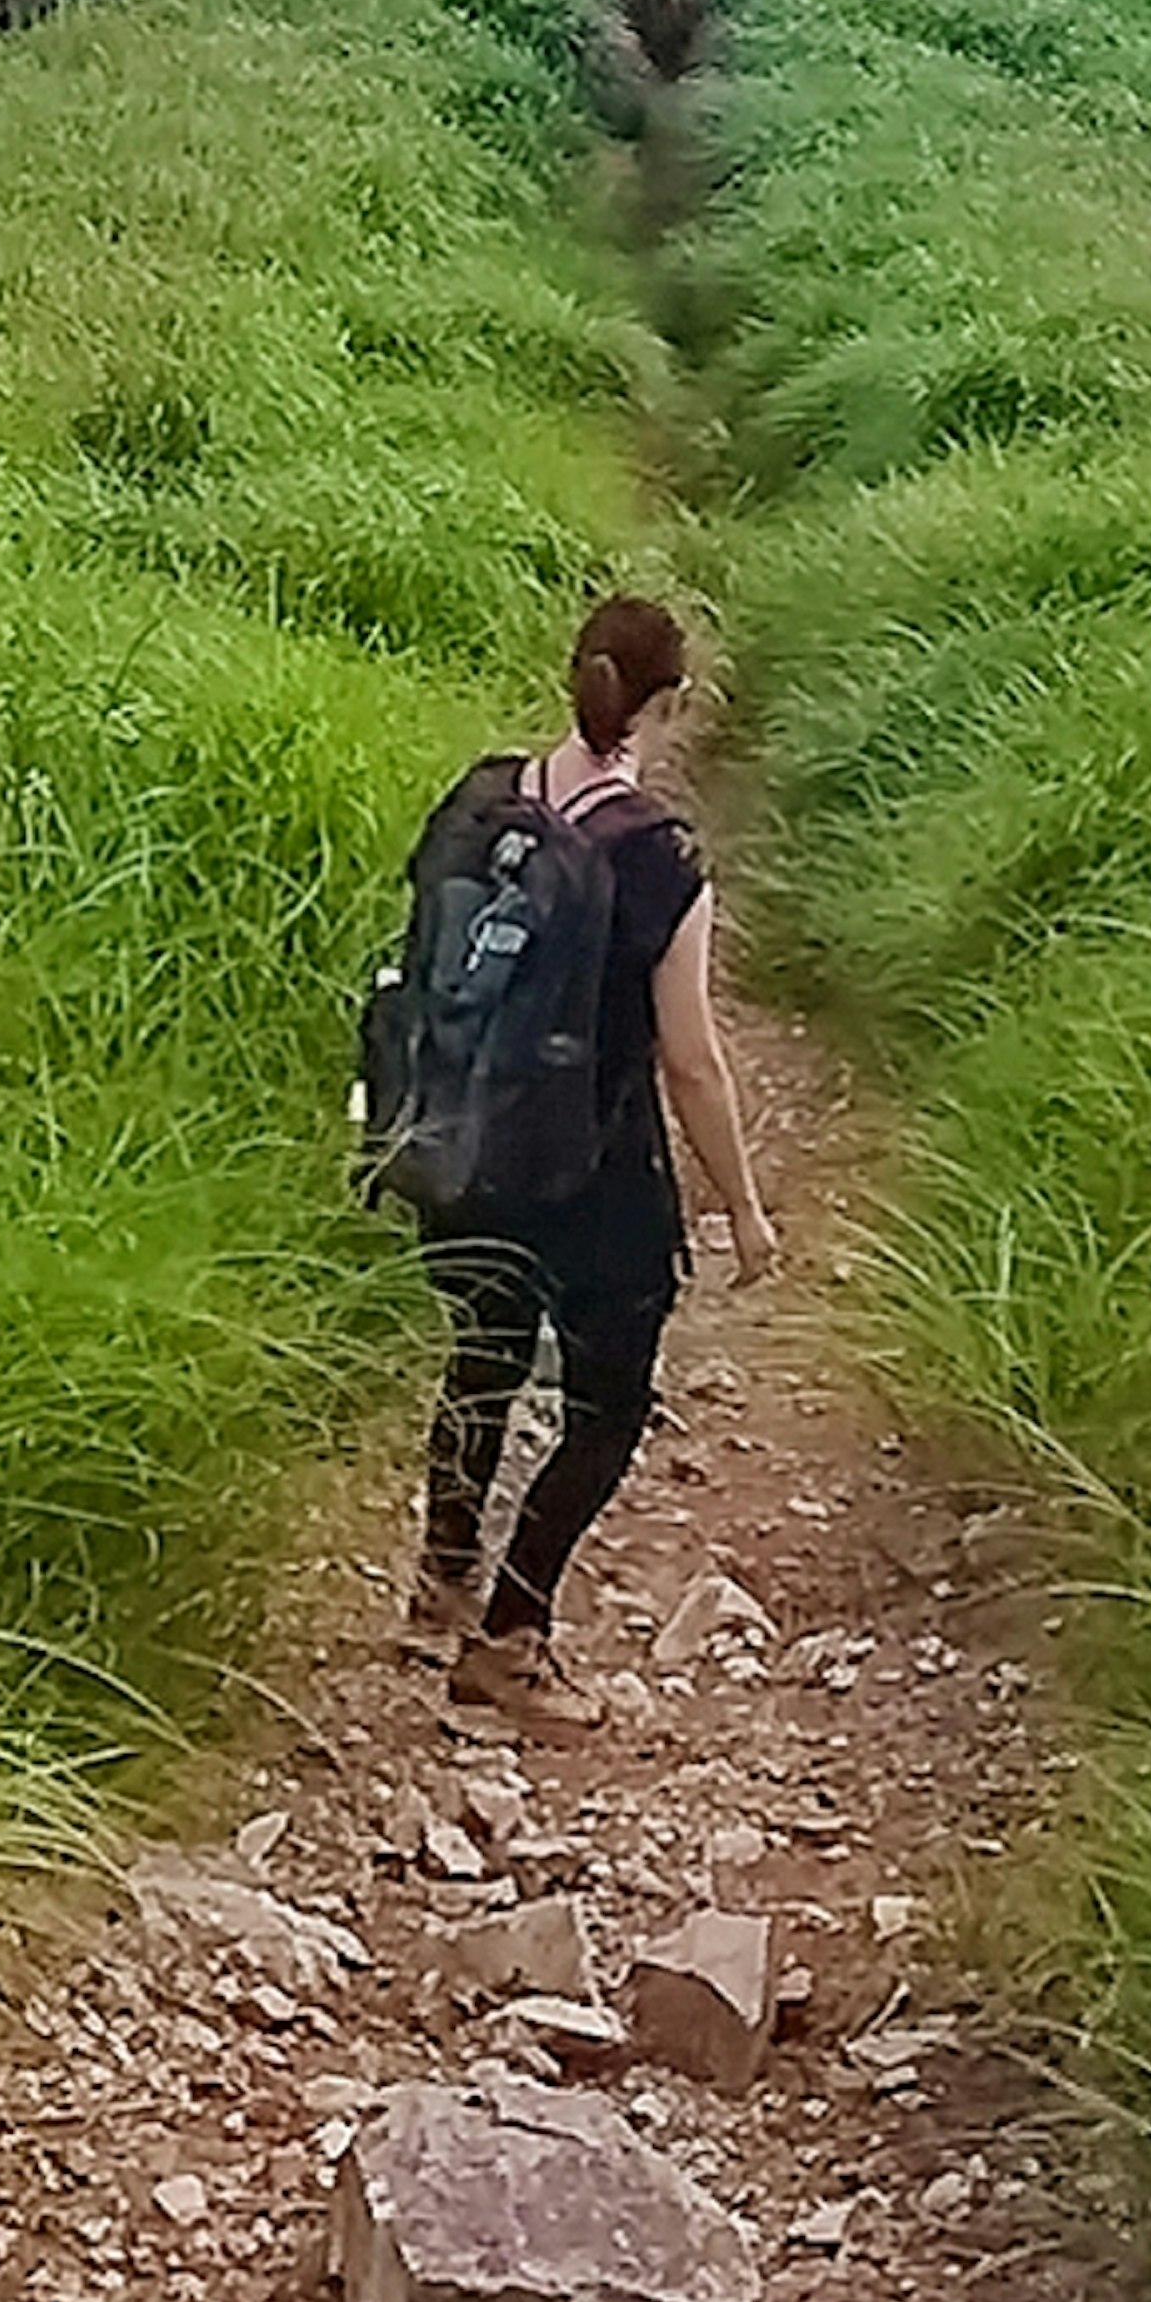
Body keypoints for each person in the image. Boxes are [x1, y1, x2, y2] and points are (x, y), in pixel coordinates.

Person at [402, 593, 777, 1735]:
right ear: (670, 703)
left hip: (461, 1139)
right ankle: (512, 1641)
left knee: (484, 1353)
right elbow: (692, 1062)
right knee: (607, 1407)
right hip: (594, 1171)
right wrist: (745, 1212)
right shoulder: (657, 857)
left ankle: (440, 1584)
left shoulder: (484, 798)